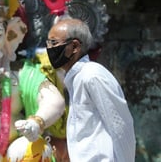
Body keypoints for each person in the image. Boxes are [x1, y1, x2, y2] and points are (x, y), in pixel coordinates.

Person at [45, 18, 136, 161]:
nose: (49, 49)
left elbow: (121, 126)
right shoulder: (76, 79)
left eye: (54, 43)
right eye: (48, 43)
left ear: (75, 46)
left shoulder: (92, 76)